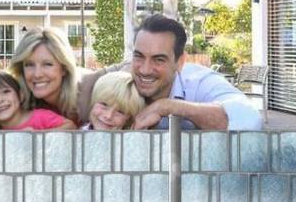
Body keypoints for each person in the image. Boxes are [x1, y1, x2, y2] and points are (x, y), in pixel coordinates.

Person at [76, 13, 262, 131]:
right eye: (139, 56)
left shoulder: (199, 81)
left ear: (180, 62)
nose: (145, 70)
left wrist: (168, 106)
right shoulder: (121, 81)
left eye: (159, 59)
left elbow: (250, 119)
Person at [9, 27, 80, 123]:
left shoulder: (87, 96)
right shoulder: (14, 100)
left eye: (47, 64)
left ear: (64, 68)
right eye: (29, 65)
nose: (37, 74)